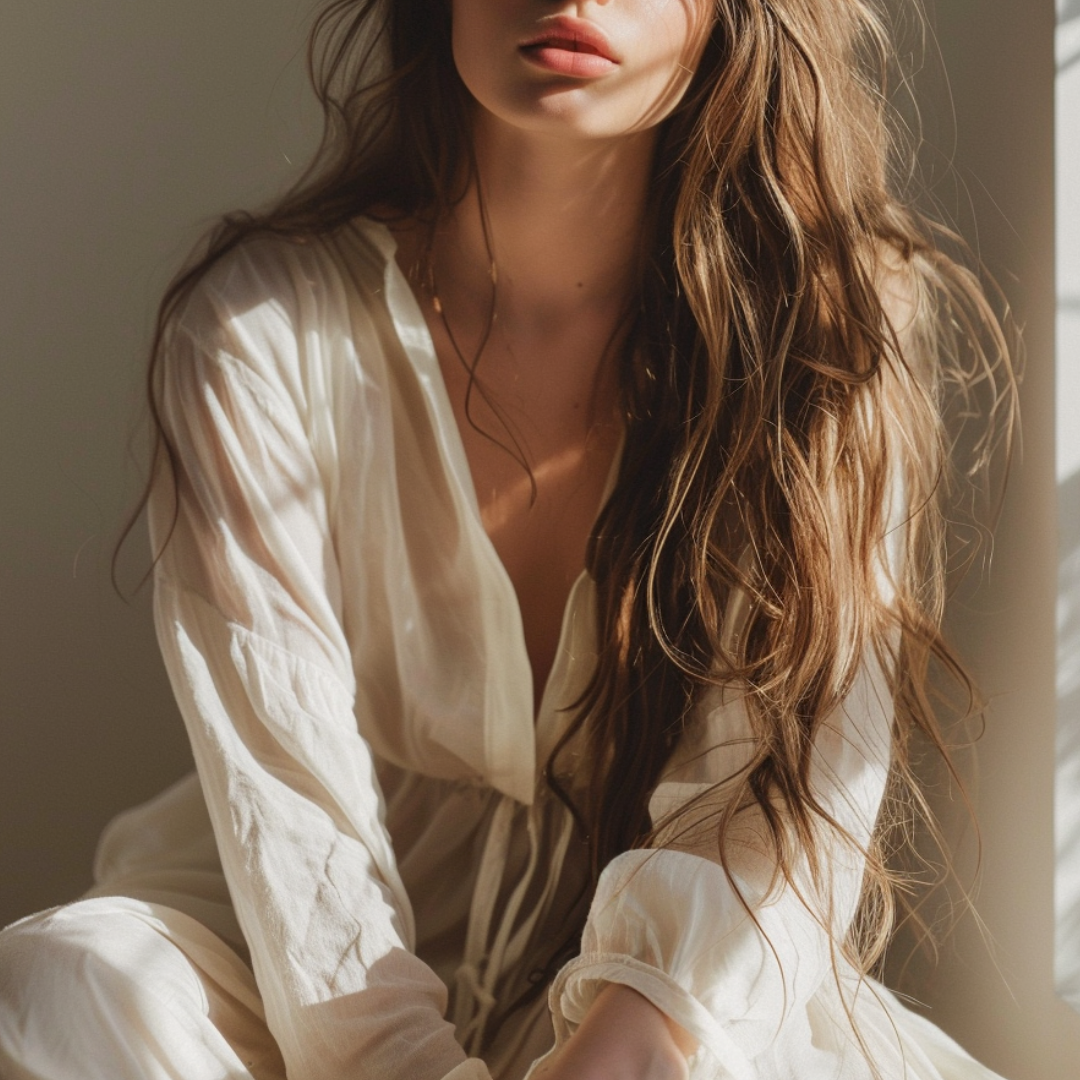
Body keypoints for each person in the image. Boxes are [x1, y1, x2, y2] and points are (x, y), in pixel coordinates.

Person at [0, 0, 1016, 1077]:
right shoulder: (260, 334)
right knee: (68, 987)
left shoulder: (825, 335)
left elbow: (775, 819)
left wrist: (633, 1041)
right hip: (297, 964)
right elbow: (297, 837)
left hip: (637, 988)